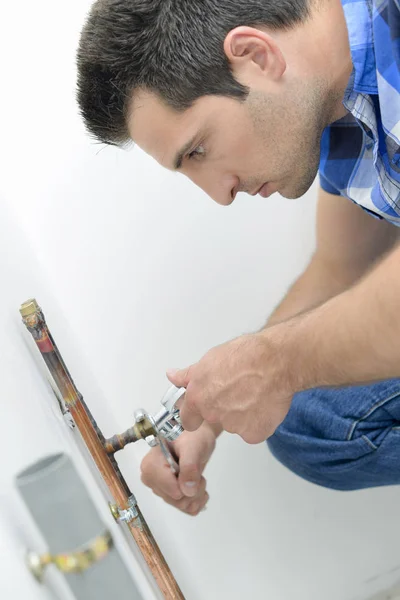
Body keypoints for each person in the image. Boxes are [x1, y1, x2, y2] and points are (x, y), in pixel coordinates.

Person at [77, 0, 400, 516]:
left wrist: (278, 363)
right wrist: (211, 414)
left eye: (198, 150)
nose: (220, 195)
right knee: (311, 422)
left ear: (254, 54)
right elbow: (341, 267)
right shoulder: (340, 113)